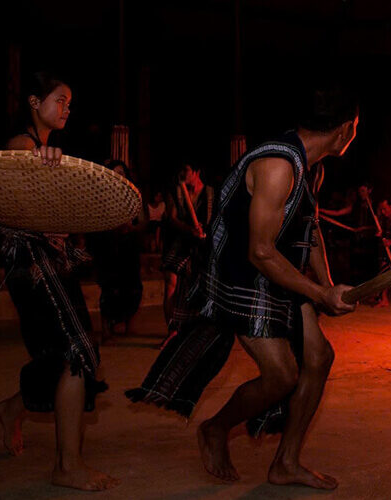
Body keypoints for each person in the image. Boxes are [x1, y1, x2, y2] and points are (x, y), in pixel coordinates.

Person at [128, 85, 359, 489]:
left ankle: (285, 462)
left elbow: (310, 228)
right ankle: (216, 429)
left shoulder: (313, 166)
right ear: (344, 130)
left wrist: (327, 283)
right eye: (356, 127)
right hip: (241, 274)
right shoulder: (278, 166)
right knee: (283, 375)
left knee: (318, 358)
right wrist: (319, 295)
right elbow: (260, 252)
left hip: (278, 268)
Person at [0, 71, 118, 491]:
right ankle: (67, 466)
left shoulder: (42, 149)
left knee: (62, 352)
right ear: (34, 101)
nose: (67, 108)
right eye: (60, 99)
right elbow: (5, 210)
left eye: (69, 102)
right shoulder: (21, 146)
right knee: (76, 351)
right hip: (30, 262)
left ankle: (13, 408)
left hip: (46, 259)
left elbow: (42, 212)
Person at [87, 159, 146, 342]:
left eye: (122, 172)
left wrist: (131, 228)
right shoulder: (101, 194)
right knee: (110, 287)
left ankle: (128, 325)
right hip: (109, 245)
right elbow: (95, 220)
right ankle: (106, 330)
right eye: (115, 172)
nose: (119, 176)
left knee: (133, 286)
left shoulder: (133, 194)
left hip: (128, 245)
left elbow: (143, 221)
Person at [160, 163, 213, 343]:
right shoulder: (176, 191)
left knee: (199, 288)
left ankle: (196, 331)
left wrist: (203, 232)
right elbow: (172, 218)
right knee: (171, 284)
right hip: (178, 243)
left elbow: (215, 218)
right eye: (180, 170)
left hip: (202, 245)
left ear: (197, 172)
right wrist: (189, 230)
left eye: (186, 170)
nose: (182, 174)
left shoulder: (210, 193)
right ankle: (172, 330)